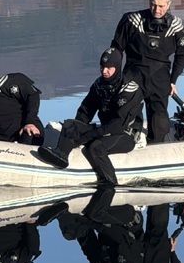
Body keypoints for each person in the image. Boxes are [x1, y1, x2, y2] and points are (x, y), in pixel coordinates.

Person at [38, 48, 143, 185]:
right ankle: (61, 155)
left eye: (109, 68)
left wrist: (87, 136)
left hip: (124, 134)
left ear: (117, 67)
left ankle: (110, 183)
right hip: (105, 130)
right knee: (70, 124)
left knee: (95, 148)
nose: (104, 71)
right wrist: (76, 132)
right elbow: (85, 111)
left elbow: (118, 124)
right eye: (102, 67)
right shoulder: (99, 85)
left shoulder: (130, 89)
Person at [111, 0, 184, 143]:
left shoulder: (178, 26)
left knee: (159, 120)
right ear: (149, 2)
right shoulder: (132, 21)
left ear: (168, 4)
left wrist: (173, 80)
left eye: (161, 6)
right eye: (153, 5)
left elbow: (182, 55)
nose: (157, 10)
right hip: (133, 73)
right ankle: (129, 140)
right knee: (129, 110)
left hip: (160, 76)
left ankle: (157, 145)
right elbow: (116, 49)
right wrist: (114, 75)